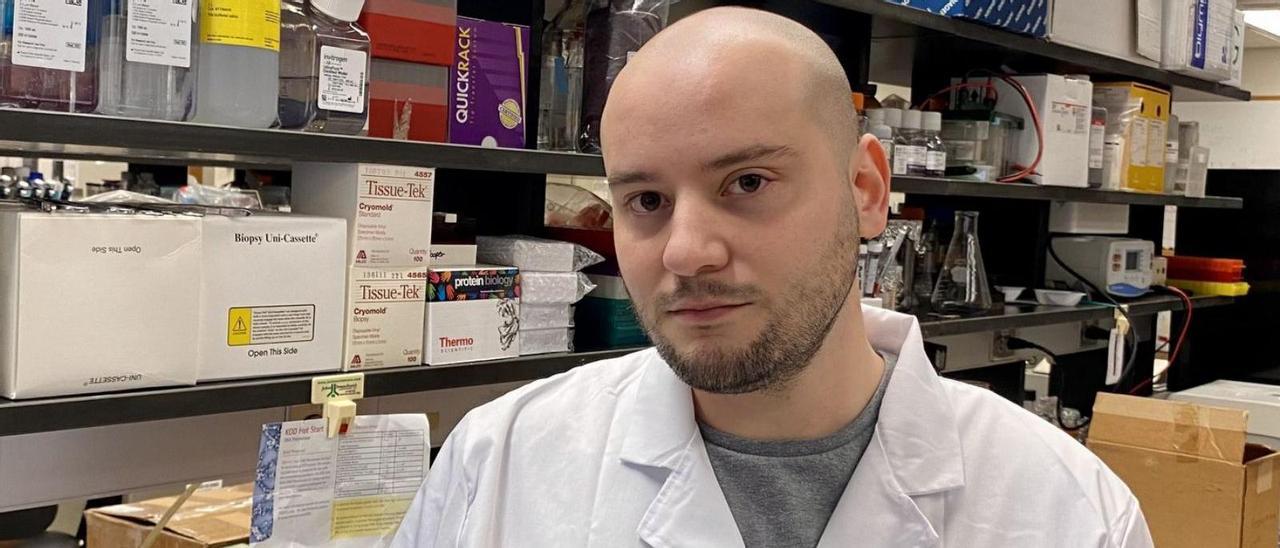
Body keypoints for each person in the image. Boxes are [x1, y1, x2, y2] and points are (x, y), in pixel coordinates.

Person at [393, 7, 1153, 547]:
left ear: (866, 191)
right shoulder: (500, 464)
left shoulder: (1068, 512)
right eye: (646, 200)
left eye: (748, 182)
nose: (686, 252)